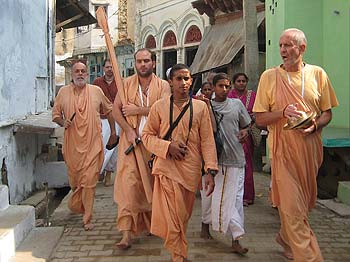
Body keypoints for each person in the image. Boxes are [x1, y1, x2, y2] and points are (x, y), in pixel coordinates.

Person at [253, 28, 338, 261]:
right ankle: (310, 256)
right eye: (281, 45)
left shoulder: (318, 74)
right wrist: (281, 113)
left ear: (302, 48)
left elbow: (327, 113)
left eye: (288, 45)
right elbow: (259, 118)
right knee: (292, 207)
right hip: (282, 153)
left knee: (303, 206)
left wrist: (316, 125)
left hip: (310, 150)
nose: (283, 50)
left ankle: (284, 236)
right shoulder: (269, 77)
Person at [142, 63, 218, 262]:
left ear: (192, 81)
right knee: (173, 217)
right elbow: (147, 137)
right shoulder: (159, 107)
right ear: (170, 82)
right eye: (179, 79)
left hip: (190, 172)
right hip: (166, 169)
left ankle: (179, 253)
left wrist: (210, 171)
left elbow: (208, 141)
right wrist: (168, 147)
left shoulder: (201, 107)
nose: (184, 83)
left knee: (182, 217)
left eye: (187, 78)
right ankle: (179, 256)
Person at [112, 48, 171, 249]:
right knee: (128, 185)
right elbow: (115, 109)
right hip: (130, 144)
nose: (143, 64)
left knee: (153, 186)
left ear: (153, 63)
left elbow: (164, 109)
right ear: (135, 64)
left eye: (147, 61)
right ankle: (126, 234)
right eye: (139, 61)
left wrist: (138, 110)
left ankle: (154, 224)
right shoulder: (125, 84)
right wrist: (127, 130)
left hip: (154, 144)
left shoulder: (163, 86)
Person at [52, 61, 118, 230]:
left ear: (87, 74)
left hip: (93, 144)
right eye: (77, 71)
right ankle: (77, 204)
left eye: (83, 71)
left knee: (89, 182)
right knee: (75, 182)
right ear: (72, 74)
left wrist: (112, 133)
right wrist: (62, 122)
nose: (80, 74)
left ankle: (87, 218)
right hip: (72, 146)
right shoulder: (63, 93)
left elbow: (109, 111)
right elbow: (56, 115)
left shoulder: (96, 91)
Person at [211, 73, 251, 254]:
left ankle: (236, 239)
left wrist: (245, 131)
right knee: (220, 199)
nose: (224, 89)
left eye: (227, 86)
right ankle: (234, 234)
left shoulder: (237, 105)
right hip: (216, 162)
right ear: (213, 88)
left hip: (237, 160)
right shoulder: (207, 107)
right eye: (220, 86)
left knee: (235, 201)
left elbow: (247, 125)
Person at [228, 73, 256, 206]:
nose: (241, 83)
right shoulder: (228, 95)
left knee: (246, 164)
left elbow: (257, 113)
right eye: (238, 81)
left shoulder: (252, 96)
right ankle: (232, 195)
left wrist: (247, 125)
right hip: (230, 134)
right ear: (234, 82)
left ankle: (247, 196)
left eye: (243, 81)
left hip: (246, 135)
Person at [93, 59, 119, 186]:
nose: (110, 69)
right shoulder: (97, 82)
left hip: (116, 119)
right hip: (102, 119)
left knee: (112, 147)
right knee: (101, 147)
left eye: (112, 67)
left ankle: (108, 174)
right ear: (103, 68)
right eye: (107, 67)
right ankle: (99, 171)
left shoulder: (121, 82)